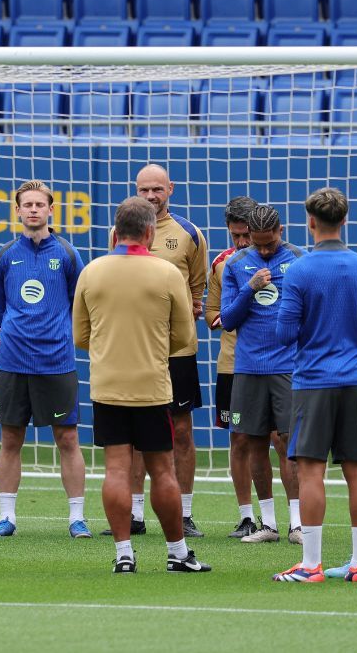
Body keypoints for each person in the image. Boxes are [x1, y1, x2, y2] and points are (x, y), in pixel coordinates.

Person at [74, 196, 211, 574]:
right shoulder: (167, 274)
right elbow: (184, 337)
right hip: (151, 385)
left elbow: (81, 337)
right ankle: (178, 553)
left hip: (108, 385)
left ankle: (123, 554)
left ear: (116, 232)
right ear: (150, 233)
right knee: (163, 471)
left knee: (116, 470)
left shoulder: (92, 271)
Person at [271, 188, 357, 583]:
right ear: (345, 220)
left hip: (313, 382)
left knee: (311, 472)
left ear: (310, 222)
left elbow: (284, 333)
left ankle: (311, 564)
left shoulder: (300, 270)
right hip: (354, 381)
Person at [105, 165, 209, 538]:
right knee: (131, 433)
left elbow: (197, 291)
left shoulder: (189, 234)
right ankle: (134, 514)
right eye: (143, 190)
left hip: (176, 351)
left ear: (171, 189)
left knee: (180, 431)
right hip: (133, 349)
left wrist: (179, 324)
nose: (151, 196)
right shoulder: (119, 233)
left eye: (157, 189)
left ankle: (184, 513)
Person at [0, 181, 88, 538]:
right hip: (13, 362)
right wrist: (5, 336)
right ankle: (7, 517)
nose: (32, 209)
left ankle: (77, 518)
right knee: (10, 440)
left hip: (56, 362)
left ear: (50, 210)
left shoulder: (68, 255)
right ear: (17, 210)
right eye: (26, 204)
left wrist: (61, 334)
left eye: (39, 204)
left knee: (68, 439)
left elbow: (81, 302)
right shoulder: (5, 255)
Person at [220, 205, 303, 544]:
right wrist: (249, 288)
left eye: (270, 244)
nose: (265, 250)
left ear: (280, 231)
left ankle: (296, 523)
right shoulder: (237, 265)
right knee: (254, 442)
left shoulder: (300, 260)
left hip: (288, 367)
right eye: (259, 244)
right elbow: (227, 319)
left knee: (287, 443)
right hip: (249, 367)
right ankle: (267, 524)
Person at [205, 196, 259, 538]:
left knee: (280, 441)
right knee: (239, 441)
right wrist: (229, 314)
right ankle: (246, 516)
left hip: (273, 366)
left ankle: (295, 518)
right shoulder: (222, 264)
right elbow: (211, 315)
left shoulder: (283, 261)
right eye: (235, 235)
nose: (241, 243)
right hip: (232, 366)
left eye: (246, 236)